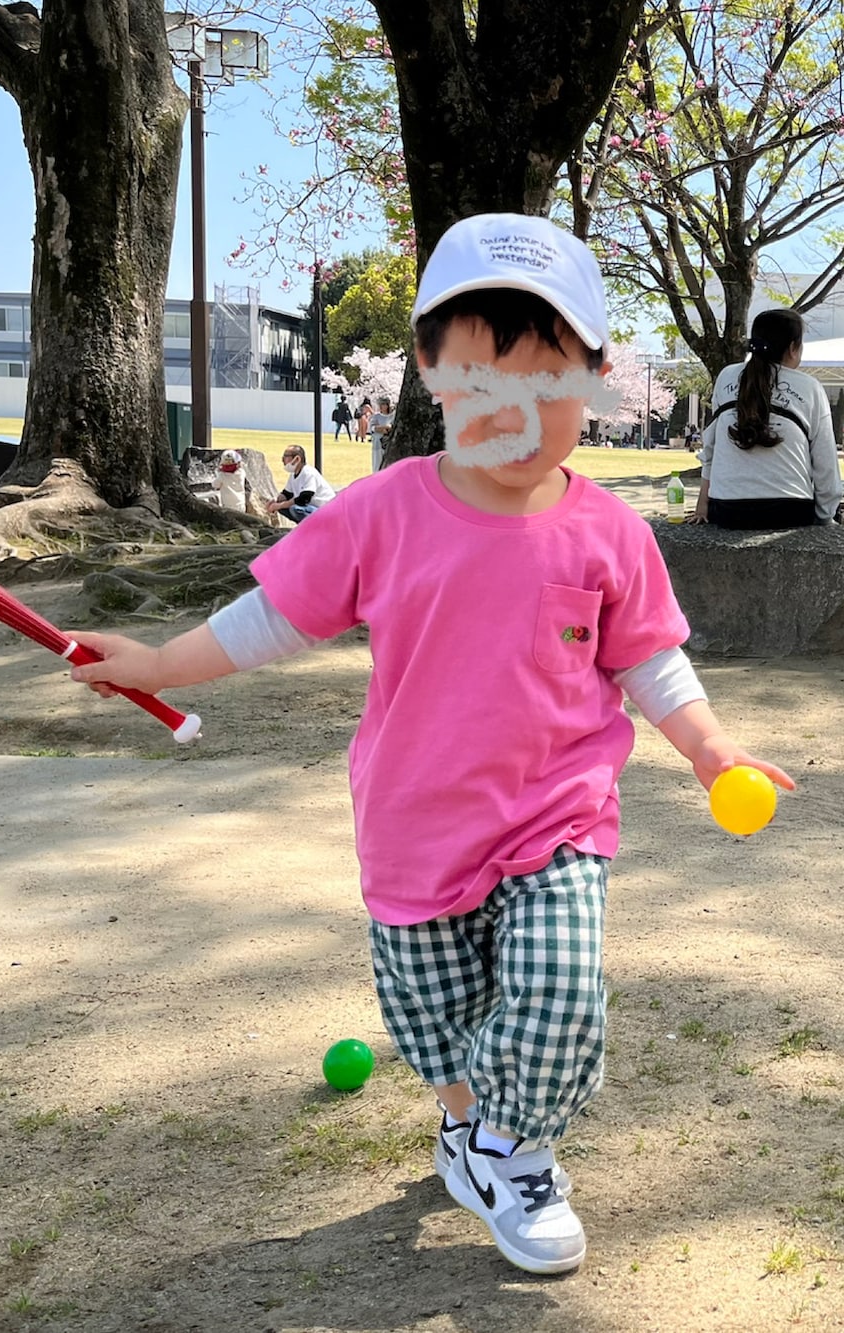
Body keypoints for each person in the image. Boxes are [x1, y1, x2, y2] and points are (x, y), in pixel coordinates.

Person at [69, 213, 793, 1277]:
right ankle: (466, 1127)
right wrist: (158, 664)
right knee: (437, 1022)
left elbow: (650, 659)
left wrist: (709, 746)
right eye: (483, 384)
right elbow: (275, 618)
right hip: (414, 827)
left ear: (596, 380)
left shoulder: (609, 532)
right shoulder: (381, 513)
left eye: (548, 386)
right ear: (428, 371)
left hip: (555, 818)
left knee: (557, 992)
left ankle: (513, 1147)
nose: (516, 415)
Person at [692, 309, 841, 529]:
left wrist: (702, 504)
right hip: (790, 509)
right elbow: (825, 463)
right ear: (793, 348)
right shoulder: (810, 387)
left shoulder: (726, 377)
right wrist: (826, 515)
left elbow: (711, 448)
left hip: (727, 509)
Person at [265, 445, 335, 523]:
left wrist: (280, 505)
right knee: (283, 508)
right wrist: (275, 501)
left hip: (324, 510)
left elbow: (304, 499)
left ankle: (313, 526)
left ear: (297, 459)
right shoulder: (293, 475)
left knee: (296, 509)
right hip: (311, 508)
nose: (283, 460)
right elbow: (286, 494)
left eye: (286, 456)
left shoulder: (308, 473)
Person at [368, 396, 394, 471]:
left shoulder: (393, 416)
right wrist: (381, 428)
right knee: (377, 464)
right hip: (378, 444)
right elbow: (372, 428)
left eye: (383, 404)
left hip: (388, 444)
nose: (381, 406)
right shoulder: (376, 416)